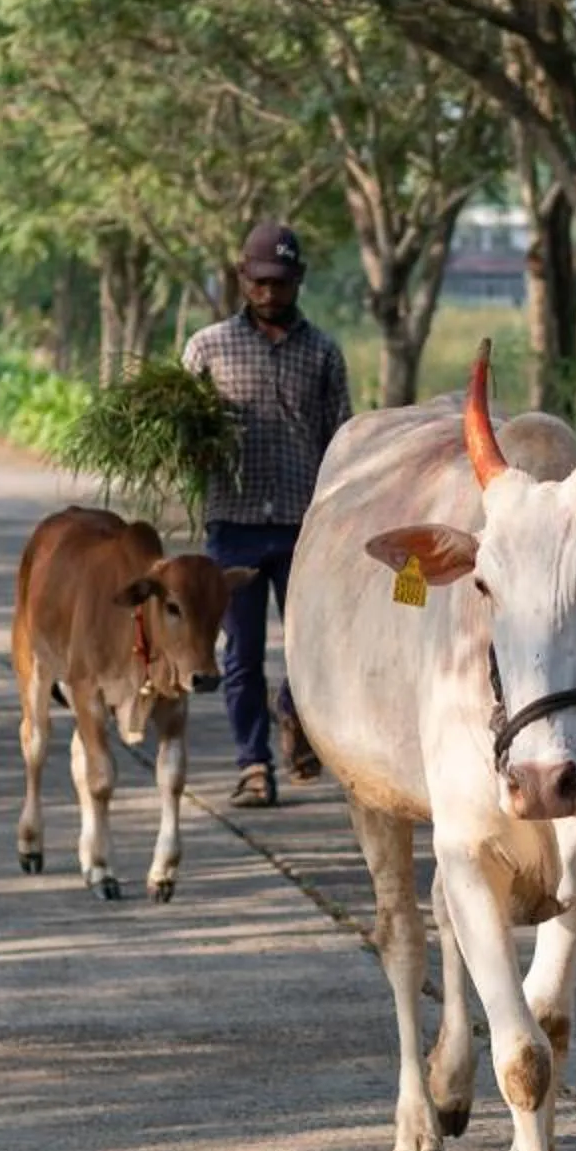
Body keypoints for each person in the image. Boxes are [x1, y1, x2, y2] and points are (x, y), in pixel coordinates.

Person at [183, 220, 351, 807]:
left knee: (314, 648)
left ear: (299, 279)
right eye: (260, 283)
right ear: (241, 279)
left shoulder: (324, 352)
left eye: (281, 283)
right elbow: (188, 434)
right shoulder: (206, 349)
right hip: (235, 524)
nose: (270, 294)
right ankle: (253, 764)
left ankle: (295, 714)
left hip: (307, 527)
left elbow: (340, 441)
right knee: (241, 655)